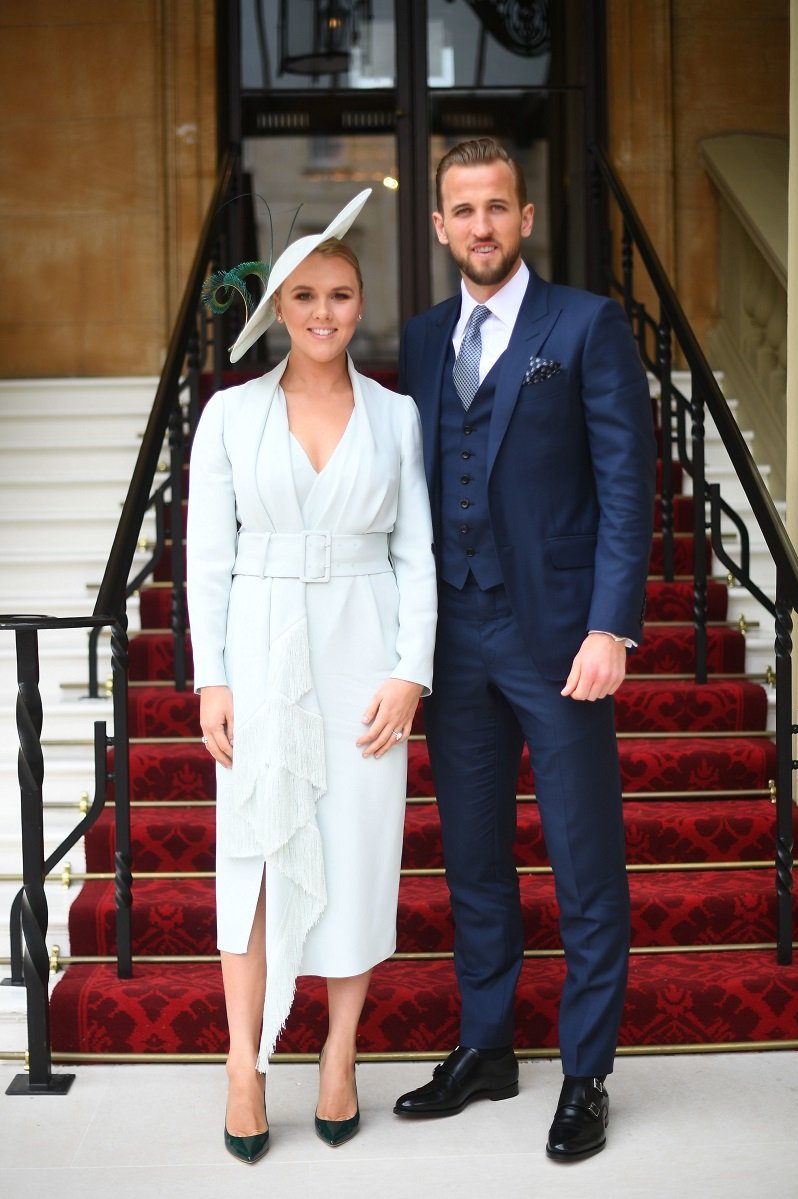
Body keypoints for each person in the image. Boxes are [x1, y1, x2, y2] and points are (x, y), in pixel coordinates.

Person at [392, 138, 656, 1161]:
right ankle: (487, 1044)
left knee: (584, 858)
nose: (481, 226)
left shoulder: (583, 324)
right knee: (472, 858)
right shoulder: (418, 340)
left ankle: (584, 1072)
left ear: (526, 216)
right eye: (463, 210)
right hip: (452, 635)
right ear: (439, 224)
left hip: (556, 636)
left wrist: (610, 624)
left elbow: (624, 484)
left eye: (497, 206)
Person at [187, 189, 437, 1164]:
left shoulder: (399, 415)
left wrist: (410, 670)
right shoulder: (227, 415)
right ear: (278, 310)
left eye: (339, 293)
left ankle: (339, 1050)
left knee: (357, 852)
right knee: (251, 856)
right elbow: (207, 559)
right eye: (304, 295)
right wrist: (213, 679)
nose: (324, 311)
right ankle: (243, 1061)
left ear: (357, 300)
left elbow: (415, 554)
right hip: (258, 651)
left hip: (363, 657)